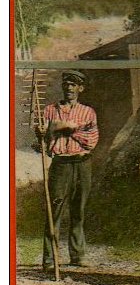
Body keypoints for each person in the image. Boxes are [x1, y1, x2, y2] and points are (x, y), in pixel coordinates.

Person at [37, 70, 99, 271]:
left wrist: (68, 129)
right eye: (67, 84)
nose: (69, 88)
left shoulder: (88, 112)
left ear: (81, 88)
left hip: (82, 164)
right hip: (61, 166)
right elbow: (43, 142)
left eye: (74, 85)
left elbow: (91, 141)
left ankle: (77, 256)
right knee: (53, 210)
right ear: (63, 87)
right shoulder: (48, 111)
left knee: (78, 211)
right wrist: (42, 133)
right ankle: (49, 258)